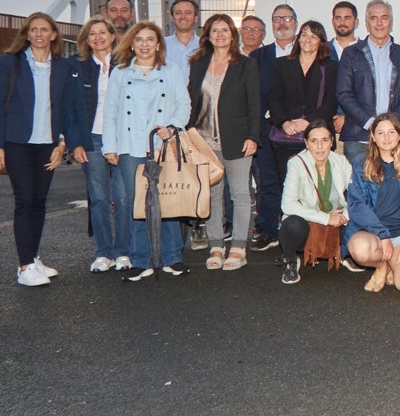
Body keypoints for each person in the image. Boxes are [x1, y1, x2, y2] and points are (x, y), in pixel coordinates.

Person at [0, 12, 85, 287]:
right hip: (17, 143)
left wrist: (62, 143)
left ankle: (33, 256)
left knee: (39, 201)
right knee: (25, 199)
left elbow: (66, 109)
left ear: (54, 35)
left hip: (47, 144)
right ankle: (24, 265)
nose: (39, 34)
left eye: (44, 30)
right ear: (27, 35)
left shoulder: (63, 67)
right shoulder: (11, 62)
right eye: (34, 30)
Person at [102, 21, 192, 281]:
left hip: (162, 145)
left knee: (168, 199)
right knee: (137, 203)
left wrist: (173, 127)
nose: (144, 44)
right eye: (139, 40)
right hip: (130, 146)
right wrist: (110, 146)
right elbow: (110, 111)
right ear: (131, 44)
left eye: (150, 39)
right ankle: (140, 260)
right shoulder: (120, 73)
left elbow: (183, 103)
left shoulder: (171, 70)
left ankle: (172, 257)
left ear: (158, 44)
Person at [187, 14, 261, 272]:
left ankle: (239, 247)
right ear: (207, 35)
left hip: (238, 140)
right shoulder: (198, 64)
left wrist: (253, 136)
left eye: (225, 30)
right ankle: (216, 245)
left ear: (233, 35)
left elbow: (255, 104)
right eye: (215, 30)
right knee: (213, 195)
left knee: (240, 194)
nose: (220, 35)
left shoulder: (246, 65)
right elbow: (192, 102)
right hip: (204, 142)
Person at [345, 114, 400, 297]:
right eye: (380, 133)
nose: (387, 137)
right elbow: (356, 205)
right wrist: (382, 235)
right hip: (374, 235)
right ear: (373, 136)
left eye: (391, 132)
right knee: (358, 248)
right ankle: (381, 266)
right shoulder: (360, 163)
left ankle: (394, 264)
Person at [73, 15, 131, 272]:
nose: (98, 38)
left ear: (112, 36)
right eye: (92, 34)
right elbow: (71, 109)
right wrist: (75, 142)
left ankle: (124, 252)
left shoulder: (126, 64)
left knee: (123, 197)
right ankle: (103, 252)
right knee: (98, 198)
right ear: (86, 40)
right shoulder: (78, 67)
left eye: (102, 33)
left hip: (121, 138)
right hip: (92, 139)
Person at [337, 0, 400, 168]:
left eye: (384, 17)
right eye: (374, 18)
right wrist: (370, 123)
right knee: (361, 189)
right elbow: (343, 94)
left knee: (392, 190)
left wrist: (391, 125)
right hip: (359, 136)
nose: (379, 23)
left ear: (391, 22)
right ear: (367, 23)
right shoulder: (351, 54)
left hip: (395, 137)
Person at [276, 120, 352, 286]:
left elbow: (357, 196)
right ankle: (290, 258)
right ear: (306, 143)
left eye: (324, 140)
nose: (319, 146)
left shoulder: (341, 162)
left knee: (360, 220)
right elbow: (287, 205)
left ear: (332, 142)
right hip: (309, 220)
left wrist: (344, 216)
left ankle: (346, 254)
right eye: (313, 141)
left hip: (336, 218)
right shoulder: (296, 163)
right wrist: (325, 218)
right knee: (292, 225)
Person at [248, 3, 299, 251]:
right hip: (267, 130)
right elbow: (251, 96)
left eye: (287, 18)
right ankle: (268, 230)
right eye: (277, 18)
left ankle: (296, 232)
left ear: (296, 23)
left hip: (297, 132)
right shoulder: (258, 56)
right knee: (268, 182)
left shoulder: (305, 51)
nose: (282, 23)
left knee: (298, 182)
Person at [268, 20, 339, 188]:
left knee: (318, 186)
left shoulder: (331, 67)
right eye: (304, 35)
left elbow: (332, 101)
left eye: (314, 37)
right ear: (298, 39)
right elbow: (273, 98)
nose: (308, 40)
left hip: (318, 136)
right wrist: (284, 122)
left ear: (321, 42)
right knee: (289, 186)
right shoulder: (282, 64)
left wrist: (309, 123)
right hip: (287, 136)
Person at [164, 0, 200, 84]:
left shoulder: (205, 45)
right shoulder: (161, 45)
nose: (183, 16)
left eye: (188, 13)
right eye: (178, 13)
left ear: (195, 18)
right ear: (172, 18)